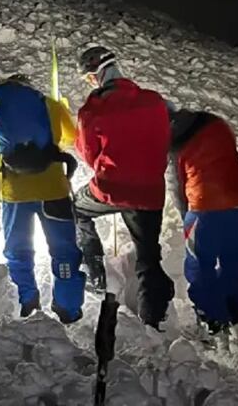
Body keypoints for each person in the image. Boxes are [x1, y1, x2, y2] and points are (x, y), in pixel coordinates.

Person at [73, 45, 175, 328]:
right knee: (148, 254)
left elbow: (90, 156)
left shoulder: (92, 109)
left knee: (77, 210)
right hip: (150, 193)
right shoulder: (154, 101)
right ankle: (152, 318)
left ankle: (95, 276)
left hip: (110, 189)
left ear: (95, 75)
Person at [0, 74, 85, 323]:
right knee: (64, 251)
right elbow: (72, 137)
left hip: (15, 195)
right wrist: (62, 111)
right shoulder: (48, 104)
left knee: (18, 250)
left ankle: (26, 301)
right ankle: (68, 307)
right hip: (54, 192)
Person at [169, 109, 238, 335]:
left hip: (204, 208)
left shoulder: (175, 145)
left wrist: (186, 218)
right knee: (235, 262)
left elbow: (177, 187)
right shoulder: (216, 123)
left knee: (200, 266)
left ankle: (213, 321)